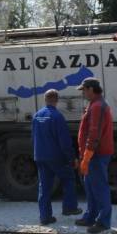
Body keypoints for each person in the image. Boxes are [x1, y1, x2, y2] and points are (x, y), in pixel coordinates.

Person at [32, 89, 82, 225]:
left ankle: (45, 217)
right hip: (56, 157)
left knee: (44, 187)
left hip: (40, 157)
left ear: (45, 99)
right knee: (69, 178)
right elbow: (64, 142)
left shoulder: (36, 116)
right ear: (56, 100)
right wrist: (72, 158)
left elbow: (34, 137)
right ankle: (69, 207)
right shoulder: (57, 117)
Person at [75, 78, 114, 233]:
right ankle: (91, 216)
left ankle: (103, 222)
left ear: (91, 89)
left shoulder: (97, 106)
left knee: (99, 188)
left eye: (83, 90)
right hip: (93, 155)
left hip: (96, 155)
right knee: (91, 187)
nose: (83, 93)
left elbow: (94, 133)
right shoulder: (95, 104)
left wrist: (87, 156)